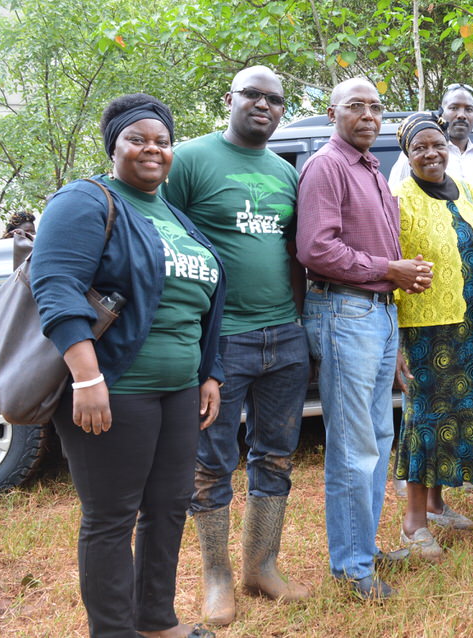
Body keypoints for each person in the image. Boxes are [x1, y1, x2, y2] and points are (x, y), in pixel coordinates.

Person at [31, 93, 225, 638]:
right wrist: (87, 377)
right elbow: (56, 287)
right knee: (111, 519)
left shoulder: (174, 215)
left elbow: (202, 302)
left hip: (179, 390)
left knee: (167, 509)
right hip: (116, 389)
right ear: (113, 145)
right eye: (137, 139)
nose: (152, 149)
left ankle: (156, 620)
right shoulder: (85, 201)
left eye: (162, 141)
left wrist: (209, 372)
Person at [162, 66, 310, 626]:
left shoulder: (283, 171)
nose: (264, 106)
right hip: (219, 343)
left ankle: (261, 567)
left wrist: (297, 321)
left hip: (284, 338)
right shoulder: (193, 160)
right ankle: (217, 577)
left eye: (275, 99)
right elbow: (163, 237)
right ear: (229, 99)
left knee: (275, 453)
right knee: (212, 463)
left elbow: (295, 251)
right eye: (253, 95)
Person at [297, 77, 433, 600]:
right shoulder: (326, 166)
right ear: (333, 113)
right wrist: (389, 269)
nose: (369, 115)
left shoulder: (371, 167)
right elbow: (316, 249)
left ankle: (364, 549)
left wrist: (394, 288)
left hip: (376, 314)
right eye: (357, 106)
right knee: (354, 448)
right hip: (343, 312)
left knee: (378, 440)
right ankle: (352, 568)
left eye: (376, 107)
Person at [391, 112, 473, 561]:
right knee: (424, 421)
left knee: (455, 414)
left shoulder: (468, 192)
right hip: (425, 329)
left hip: (467, 326)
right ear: (408, 155)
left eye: (437, 145)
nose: (432, 153)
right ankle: (413, 524)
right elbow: (390, 267)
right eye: (420, 148)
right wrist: (396, 339)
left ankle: (436, 505)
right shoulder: (399, 198)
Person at [388, 83, 473, 208]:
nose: (462, 115)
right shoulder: (417, 156)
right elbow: (393, 201)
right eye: (454, 108)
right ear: (441, 112)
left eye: (469, 109)